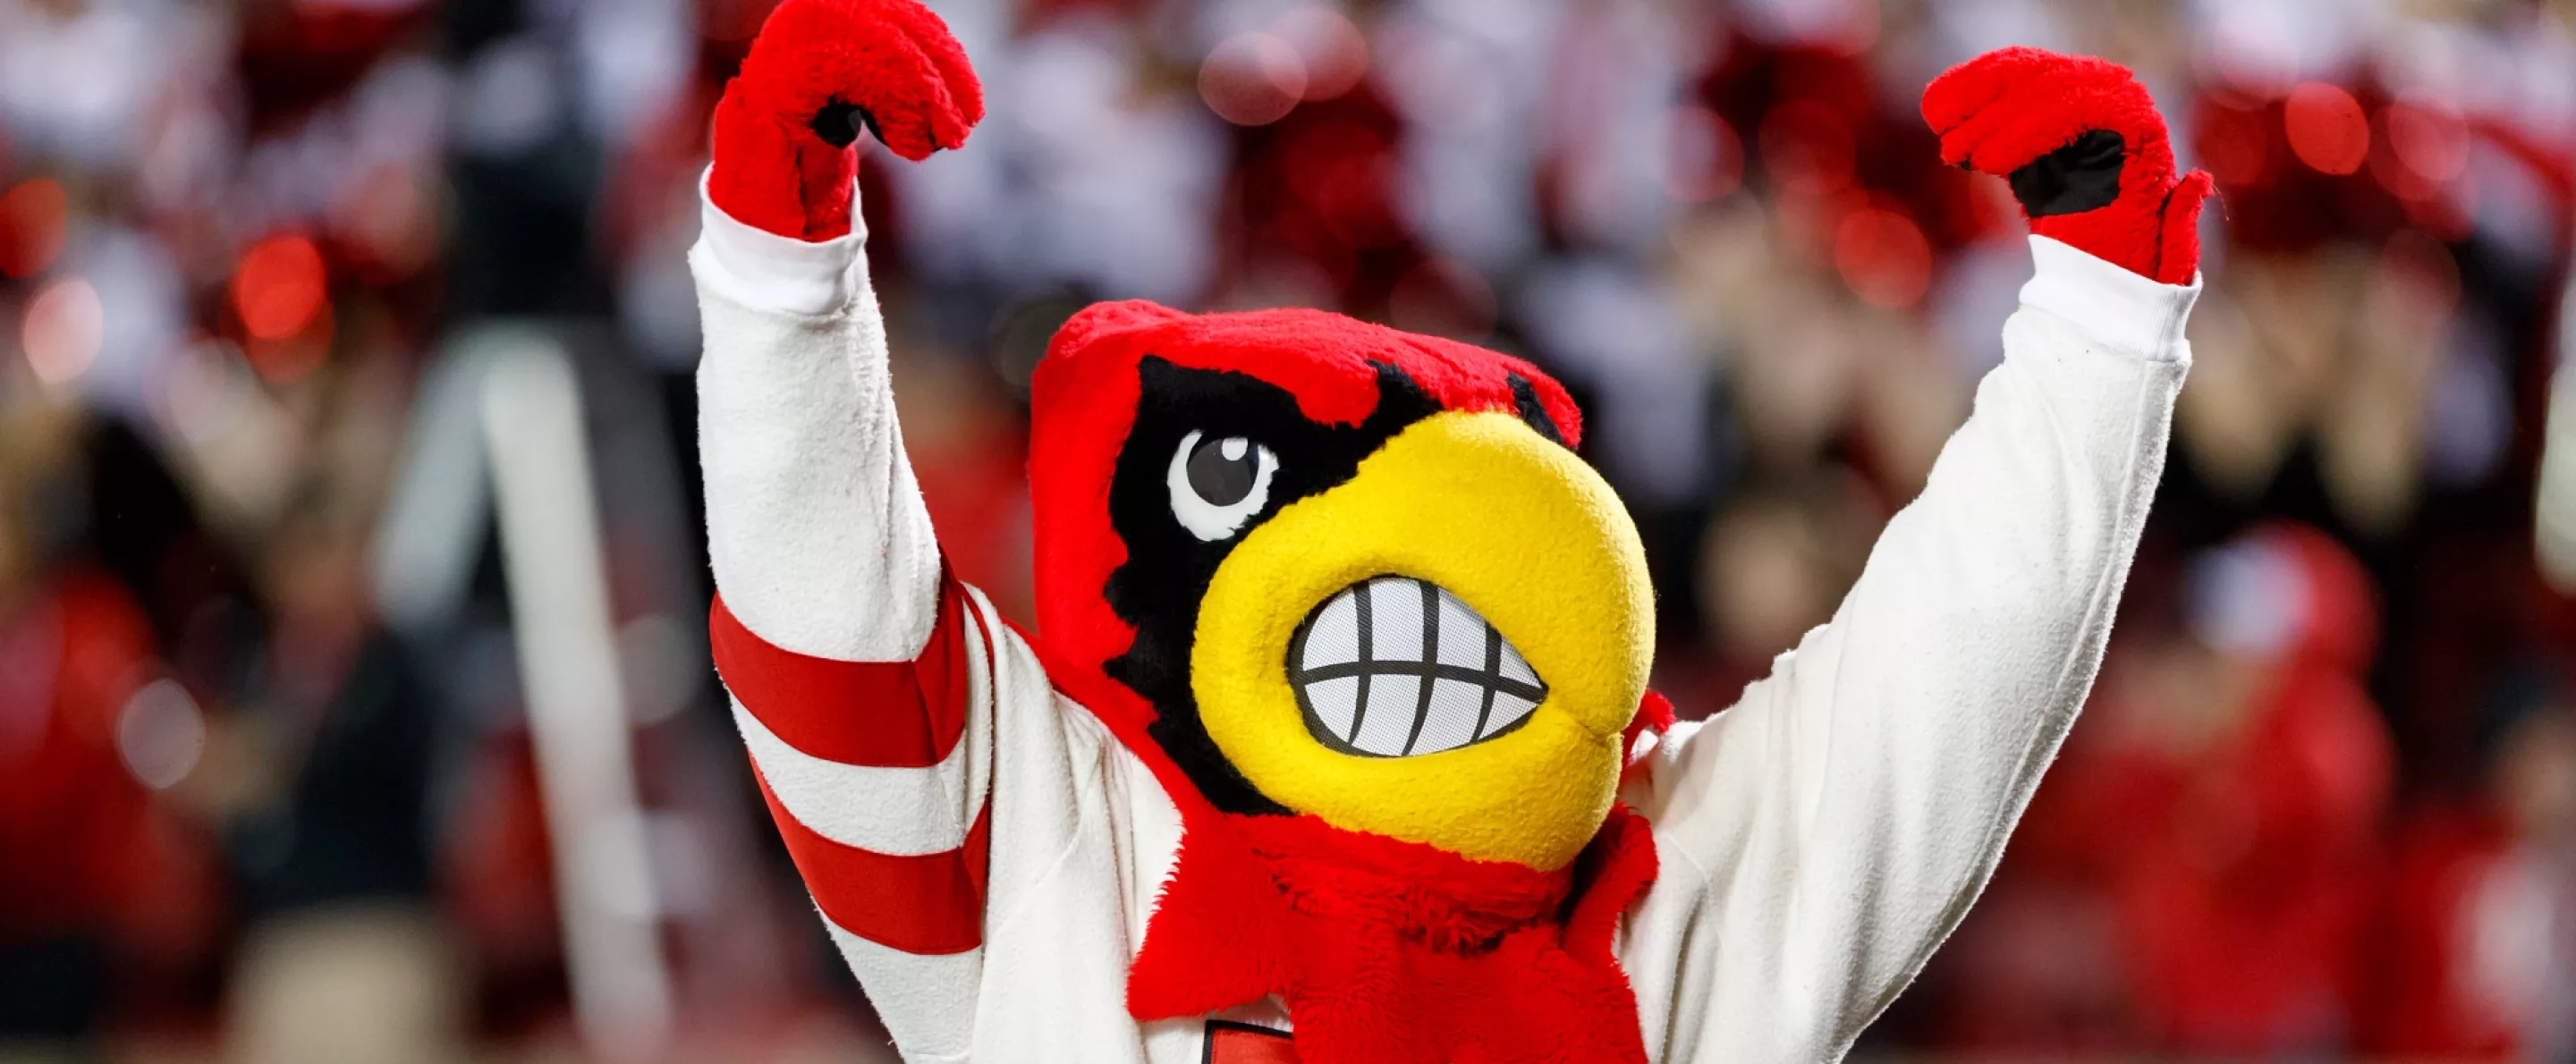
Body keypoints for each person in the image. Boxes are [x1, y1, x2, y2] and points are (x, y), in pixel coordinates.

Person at [690, 3, 2207, 1059]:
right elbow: (832, 638)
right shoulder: (1070, 862)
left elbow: (1946, 687)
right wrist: (779, 270)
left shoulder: (1660, 895)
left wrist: (2103, 324)